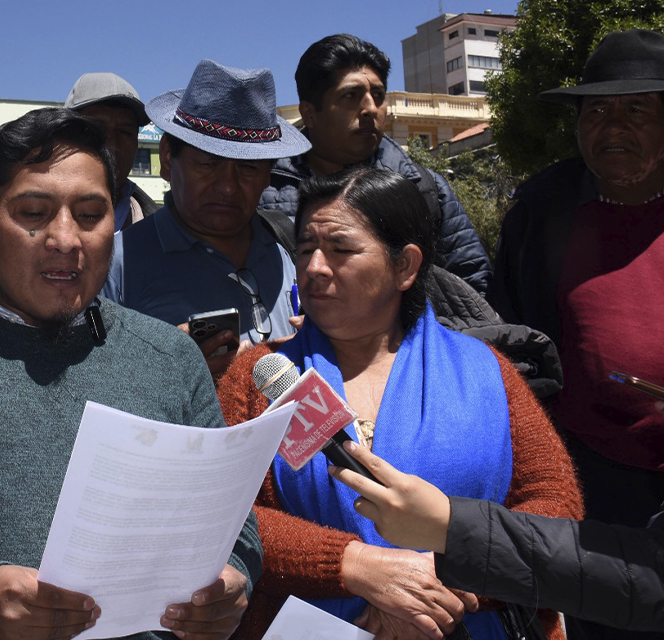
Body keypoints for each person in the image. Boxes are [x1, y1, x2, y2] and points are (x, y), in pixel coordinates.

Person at [0, 107, 259, 640]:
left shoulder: (169, 360)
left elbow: (230, 520)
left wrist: (232, 581)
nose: (64, 239)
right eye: (33, 212)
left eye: (89, 214)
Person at [215, 167, 582, 640]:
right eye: (305, 248)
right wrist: (357, 567)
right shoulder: (258, 378)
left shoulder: (486, 372)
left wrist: (449, 577)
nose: (314, 267)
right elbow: (225, 515)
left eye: (341, 249)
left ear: (405, 266)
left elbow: (555, 506)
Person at [489, 29, 664, 529]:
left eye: (636, 111)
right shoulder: (542, 213)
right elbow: (509, 339)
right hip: (591, 474)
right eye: (596, 111)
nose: (612, 127)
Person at [101, 60, 311, 375]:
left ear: (269, 174)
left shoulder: (290, 249)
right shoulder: (113, 265)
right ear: (169, 159)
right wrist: (157, 372)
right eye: (208, 163)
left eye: (248, 168)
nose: (227, 187)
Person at [329, 442, 664, 634]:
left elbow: (553, 497)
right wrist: (350, 563)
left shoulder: (486, 366)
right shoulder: (279, 375)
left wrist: (447, 545)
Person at [259, 34, 492, 295]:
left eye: (378, 94)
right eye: (351, 95)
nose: (370, 108)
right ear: (309, 112)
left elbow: (473, 288)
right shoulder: (263, 189)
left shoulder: (424, 189)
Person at [63, 72, 158, 230]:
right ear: (64, 135)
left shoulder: (160, 232)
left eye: (125, 132)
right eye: (97, 129)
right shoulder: (23, 224)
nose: (112, 144)